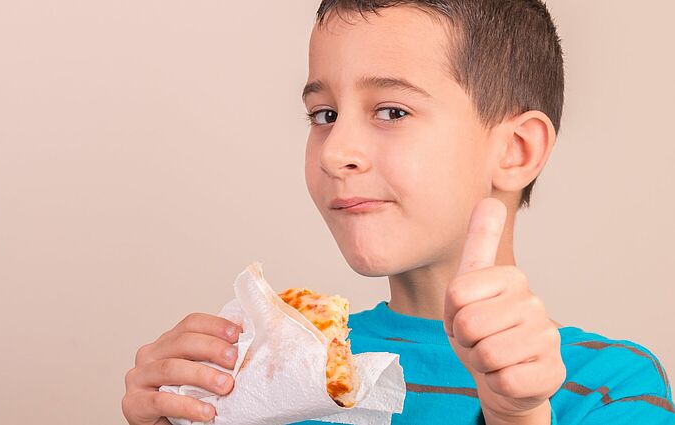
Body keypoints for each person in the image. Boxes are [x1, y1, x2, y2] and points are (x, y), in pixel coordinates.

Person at [121, 1, 675, 424]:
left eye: (391, 110)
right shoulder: (275, 375)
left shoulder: (610, 386)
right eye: (324, 114)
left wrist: (517, 416)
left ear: (516, 151)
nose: (337, 152)